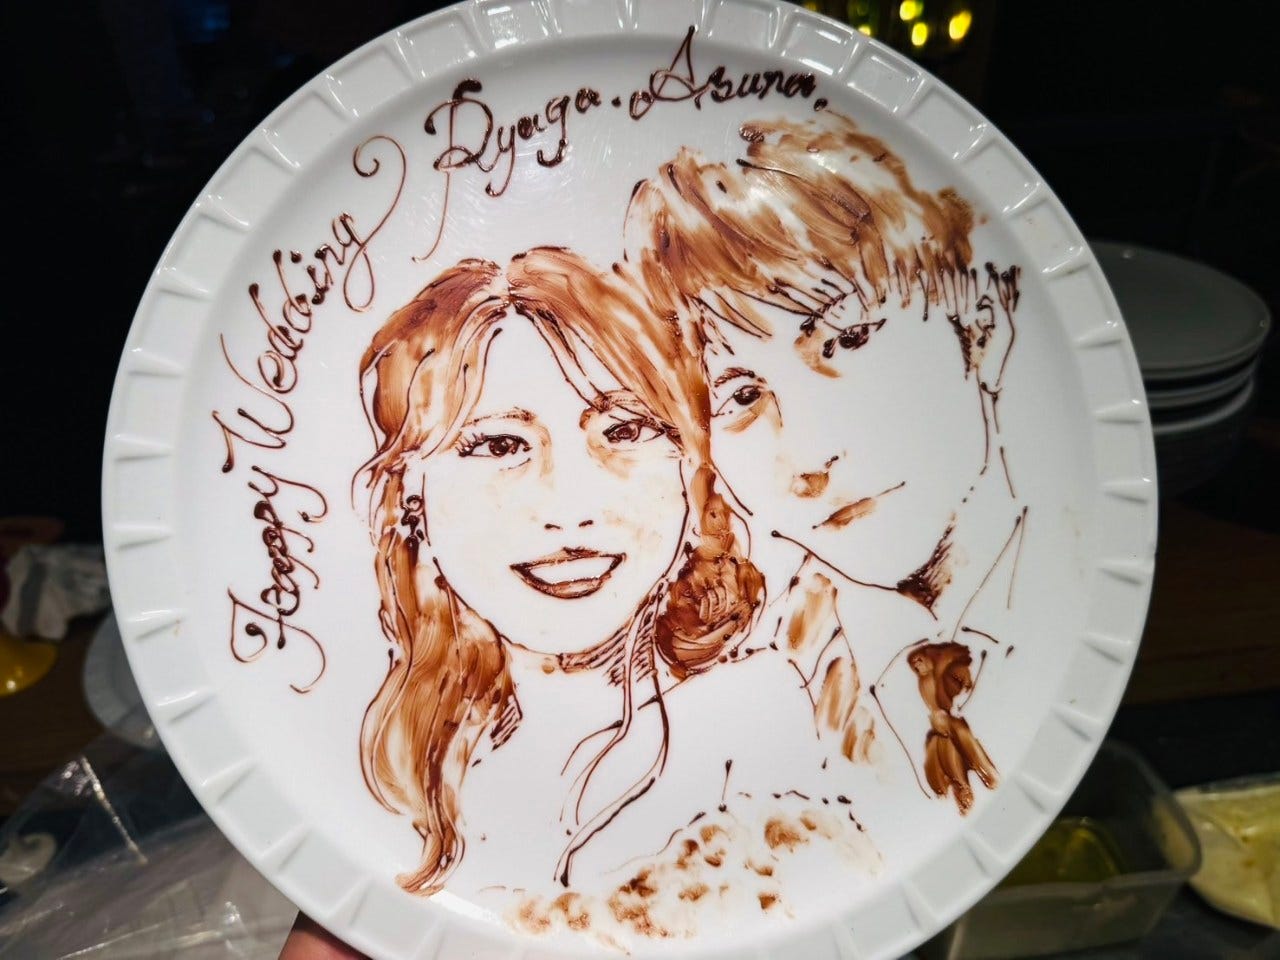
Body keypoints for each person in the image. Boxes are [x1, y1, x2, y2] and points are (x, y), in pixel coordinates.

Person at [624, 110, 1024, 812]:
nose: (809, 457)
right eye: (742, 396)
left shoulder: (1077, 604)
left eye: (848, 339)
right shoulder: (731, 715)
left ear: (979, 330)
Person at [353, 247, 765, 896]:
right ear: (411, 496)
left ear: (692, 470)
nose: (571, 508)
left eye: (624, 431)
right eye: (499, 445)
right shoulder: (424, 757)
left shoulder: (762, 734)